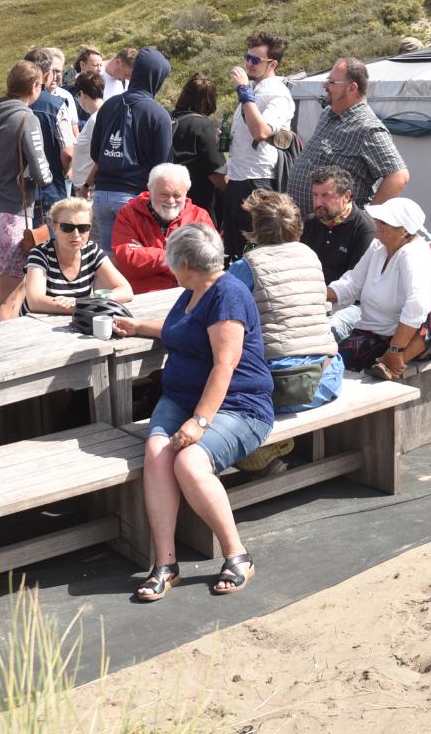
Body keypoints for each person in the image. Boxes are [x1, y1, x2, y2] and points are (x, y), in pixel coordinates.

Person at [112, 224, 272, 601]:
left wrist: (199, 423)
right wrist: (137, 326)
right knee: (156, 452)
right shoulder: (194, 290)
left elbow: (225, 365)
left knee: (189, 462)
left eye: (172, 262)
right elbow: (178, 330)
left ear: (185, 263)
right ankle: (166, 564)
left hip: (238, 404)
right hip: (182, 397)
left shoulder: (227, 295)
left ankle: (237, 554)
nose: (170, 268)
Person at [227, 189, 344, 413]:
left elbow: (218, 311)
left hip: (278, 385)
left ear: (256, 225)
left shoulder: (247, 265)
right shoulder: (309, 254)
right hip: (326, 378)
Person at [326, 198, 431, 379]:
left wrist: (395, 349)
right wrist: (317, 294)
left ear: (403, 231)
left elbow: (417, 305)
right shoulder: (377, 246)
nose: (377, 224)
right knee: (336, 361)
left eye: (384, 222)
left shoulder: (414, 254)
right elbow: (352, 284)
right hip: (374, 333)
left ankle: (395, 361)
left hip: (410, 340)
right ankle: (388, 359)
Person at [0, 60, 54, 321]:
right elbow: (42, 173)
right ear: (36, 86)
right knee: (11, 297)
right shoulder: (27, 118)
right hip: (9, 214)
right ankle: (5, 354)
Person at [286, 57, 410, 211]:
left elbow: (398, 176)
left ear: (352, 88)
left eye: (332, 82)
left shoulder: (367, 127)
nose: (325, 85)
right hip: (307, 224)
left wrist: (370, 220)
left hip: (336, 229)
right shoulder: (327, 114)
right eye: (327, 80)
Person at [89, 45, 172, 251]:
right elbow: (164, 165)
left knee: (107, 259)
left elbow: (94, 152)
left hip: (101, 195)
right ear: (156, 77)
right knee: (132, 262)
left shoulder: (109, 105)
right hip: (133, 196)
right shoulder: (157, 114)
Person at [221, 31, 295, 259]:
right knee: (235, 249)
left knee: (256, 249)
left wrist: (244, 93)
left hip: (258, 180)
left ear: (272, 64)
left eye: (255, 60)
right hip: (239, 177)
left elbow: (261, 131)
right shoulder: (256, 89)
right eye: (247, 57)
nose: (248, 64)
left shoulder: (277, 93)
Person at [110, 163, 215, 294]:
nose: (171, 201)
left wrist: (146, 254)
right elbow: (126, 262)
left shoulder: (199, 217)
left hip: (188, 294)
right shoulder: (129, 214)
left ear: (186, 192)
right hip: (143, 296)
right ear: (150, 190)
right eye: (164, 194)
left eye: (177, 195)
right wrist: (179, 257)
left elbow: (207, 263)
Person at [22, 197, 134, 315]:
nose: (76, 234)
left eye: (83, 228)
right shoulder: (40, 253)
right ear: (54, 228)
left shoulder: (92, 251)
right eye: (67, 227)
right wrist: (85, 305)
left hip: (74, 323)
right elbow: (35, 302)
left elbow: (126, 290)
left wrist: (81, 303)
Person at [300, 165, 375, 339]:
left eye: (326, 196)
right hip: (312, 299)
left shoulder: (364, 228)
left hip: (349, 306)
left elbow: (354, 287)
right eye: (315, 195)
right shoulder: (311, 222)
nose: (318, 203)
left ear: (346, 196)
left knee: (326, 330)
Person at [23, 49, 75, 223]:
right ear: (47, 75)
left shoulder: (9, 105)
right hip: (49, 189)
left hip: (14, 193)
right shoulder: (56, 106)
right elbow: (68, 152)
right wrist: (68, 171)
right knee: (50, 245)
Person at [169, 74, 225, 224]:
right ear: (211, 100)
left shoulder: (166, 118)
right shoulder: (204, 126)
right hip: (196, 207)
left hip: (166, 198)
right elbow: (217, 174)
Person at [70, 72, 104, 191]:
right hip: (86, 186)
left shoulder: (96, 119)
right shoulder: (97, 116)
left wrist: (87, 185)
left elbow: (101, 157)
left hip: (88, 188)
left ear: (82, 94)